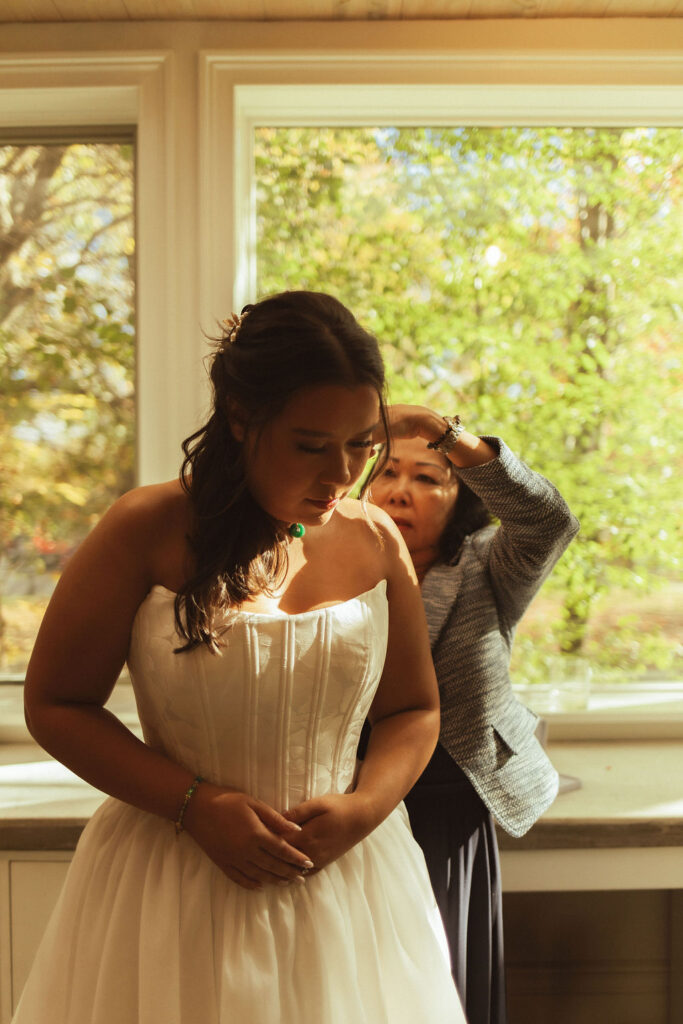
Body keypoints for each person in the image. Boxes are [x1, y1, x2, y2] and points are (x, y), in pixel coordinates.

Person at [14, 293, 464, 1024]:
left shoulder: (376, 539)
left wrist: (364, 809)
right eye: (311, 446)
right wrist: (196, 804)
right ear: (240, 417)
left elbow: (413, 709)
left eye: (361, 444)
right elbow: (56, 705)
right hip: (172, 882)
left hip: (349, 884)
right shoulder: (145, 527)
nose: (341, 474)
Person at [369, 403, 580, 1024]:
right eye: (386, 472)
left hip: (446, 805)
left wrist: (442, 430)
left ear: (460, 498)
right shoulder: (329, 567)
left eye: (427, 477)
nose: (400, 491)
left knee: (442, 976)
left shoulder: (488, 565)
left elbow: (548, 519)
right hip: (350, 800)